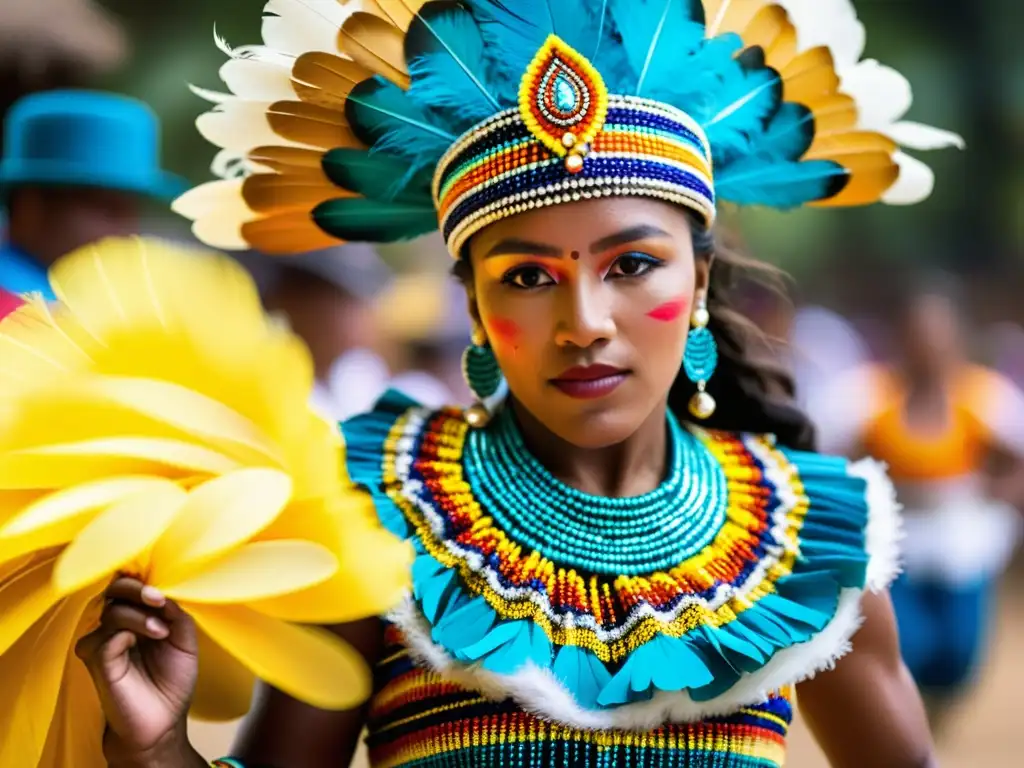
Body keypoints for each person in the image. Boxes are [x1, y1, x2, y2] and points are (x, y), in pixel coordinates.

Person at [83, 1, 964, 766]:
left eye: (632, 265)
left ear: (695, 285)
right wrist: (156, 748)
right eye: (528, 277)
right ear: (471, 303)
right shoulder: (376, 518)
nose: (585, 322)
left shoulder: (810, 542)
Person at [814, 276, 1024, 731]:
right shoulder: (867, 396)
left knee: (960, 649)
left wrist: (998, 495)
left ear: (956, 337)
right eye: (918, 332)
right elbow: (826, 454)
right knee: (908, 639)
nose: (928, 343)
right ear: (901, 336)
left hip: (961, 533)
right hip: (896, 530)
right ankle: (905, 712)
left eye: (938, 332)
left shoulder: (982, 397)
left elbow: (1016, 460)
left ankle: (939, 705)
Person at [0, 89, 184, 298]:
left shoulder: (100, 295)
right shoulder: (17, 308)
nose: (128, 232)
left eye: (133, 210)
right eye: (109, 209)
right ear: (30, 208)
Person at [245, 244, 395, 422]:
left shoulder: (356, 381)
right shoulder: (259, 383)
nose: (358, 318)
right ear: (291, 299)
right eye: (342, 301)